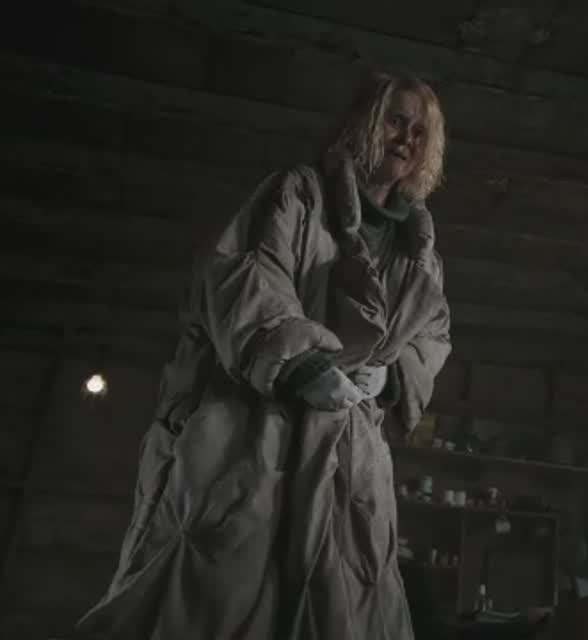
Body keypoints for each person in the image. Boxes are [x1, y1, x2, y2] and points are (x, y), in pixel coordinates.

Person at [79, 71, 453, 639]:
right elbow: (245, 274)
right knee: (219, 592)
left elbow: (433, 330)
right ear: (365, 122)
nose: (407, 137)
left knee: (344, 601)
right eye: (396, 120)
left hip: (349, 451)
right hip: (257, 430)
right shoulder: (298, 194)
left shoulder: (419, 250)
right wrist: (302, 363)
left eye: (420, 131)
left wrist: (392, 376)